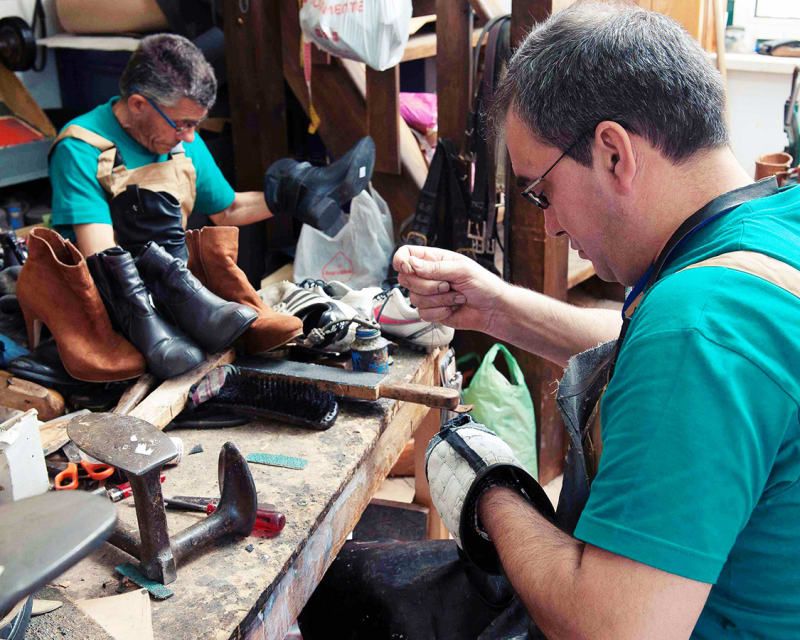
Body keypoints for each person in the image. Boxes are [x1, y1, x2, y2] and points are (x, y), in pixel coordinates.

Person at [302, 3, 800, 639]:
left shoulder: (696, 329)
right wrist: (495, 306)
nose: (551, 223)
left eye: (542, 191)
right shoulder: (768, 231)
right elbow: (650, 353)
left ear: (614, 153)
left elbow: (610, 631)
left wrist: (491, 490)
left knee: (339, 600)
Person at [49, 33, 274, 259]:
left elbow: (228, 210)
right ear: (138, 104)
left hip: (167, 282)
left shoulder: (180, 140)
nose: (189, 137)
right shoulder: (80, 148)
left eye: (194, 124)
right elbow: (103, 259)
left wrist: (287, 197)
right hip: (105, 287)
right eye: (182, 124)